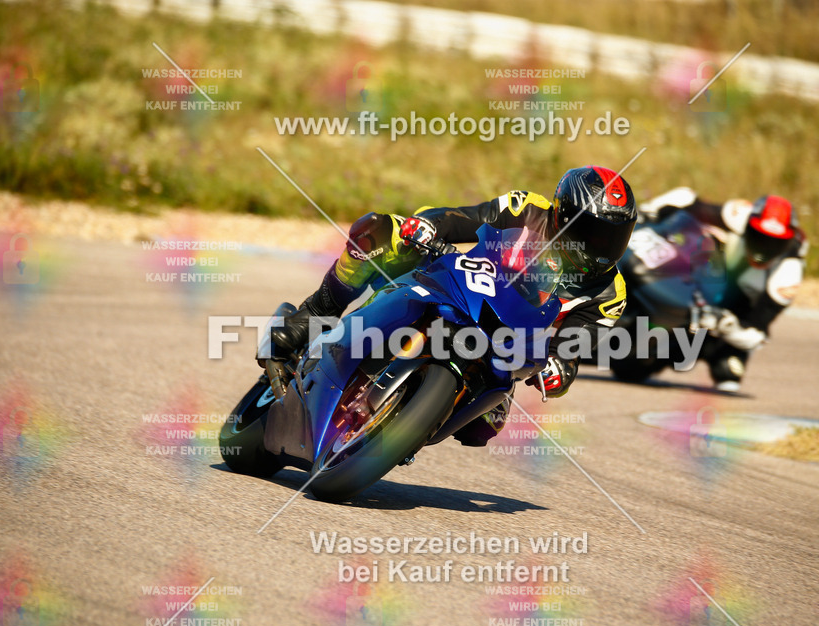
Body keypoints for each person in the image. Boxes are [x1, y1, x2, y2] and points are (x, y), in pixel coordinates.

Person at [262, 166, 637, 444]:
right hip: (459, 290)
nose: (600, 246)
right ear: (560, 214)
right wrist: (429, 226)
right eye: (591, 232)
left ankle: (402, 427)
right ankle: (314, 315)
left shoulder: (610, 294)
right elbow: (468, 219)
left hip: (504, 352)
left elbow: (573, 348)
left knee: (482, 428)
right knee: (380, 233)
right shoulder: (527, 209)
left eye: (613, 237)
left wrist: (558, 370)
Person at [638, 188, 808, 393]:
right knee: (683, 202)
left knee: (729, 374)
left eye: (774, 244)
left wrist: (725, 324)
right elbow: (691, 207)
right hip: (708, 276)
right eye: (759, 237)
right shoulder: (739, 215)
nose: (763, 249)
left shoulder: (788, 274)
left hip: (733, 314)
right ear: (747, 225)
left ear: (788, 242)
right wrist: (657, 217)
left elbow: (757, 332)